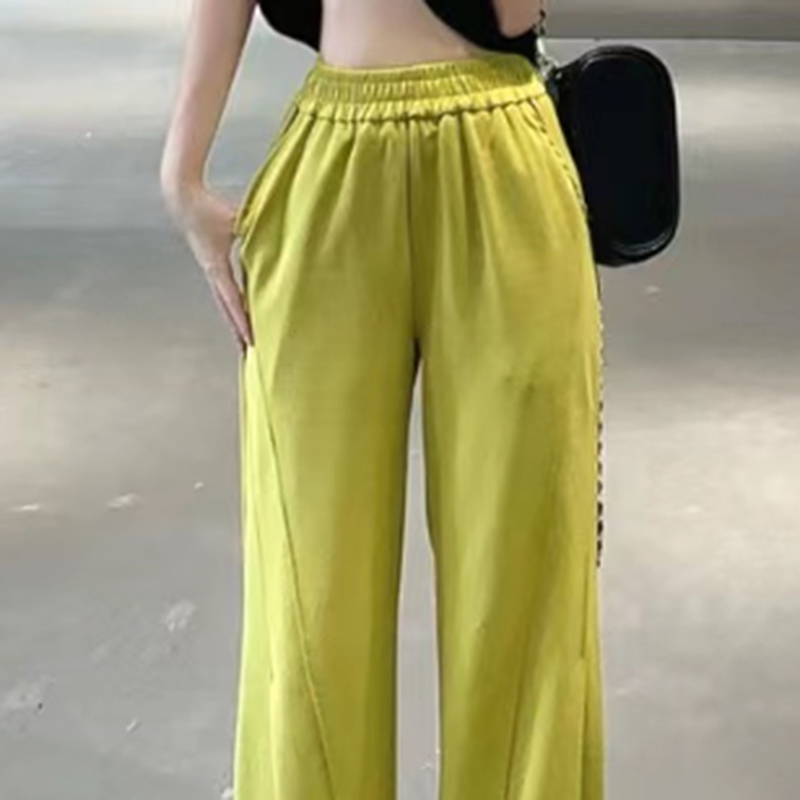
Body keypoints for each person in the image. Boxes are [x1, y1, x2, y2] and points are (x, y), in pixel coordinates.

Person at [160, 1, 605, 798]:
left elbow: (514, 11)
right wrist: (181, 176)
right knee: (309, 578)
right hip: (339, 160)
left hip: (498, 151)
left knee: (524, 563)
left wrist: (184, 174)